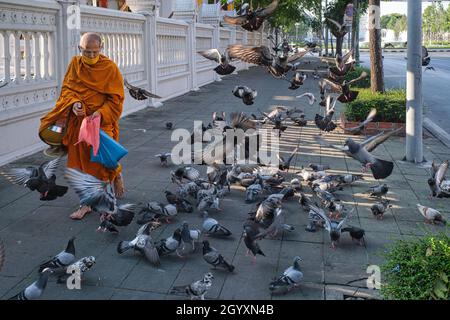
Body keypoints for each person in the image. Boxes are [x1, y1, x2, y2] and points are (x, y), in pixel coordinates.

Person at [39, 32, 125, 220]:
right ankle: (86, 204)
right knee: (81, 167)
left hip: (101, 123)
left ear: (101, 49)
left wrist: (100, 113)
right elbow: (67, 91)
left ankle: (115, 177)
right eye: (87, 52)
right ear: (80, 49)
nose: (91, 56)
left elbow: (116, 99)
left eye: (95, 52)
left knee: (103, 163)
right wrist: (74, 103)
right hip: (79, 124)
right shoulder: (75, 65)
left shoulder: (110, 68)